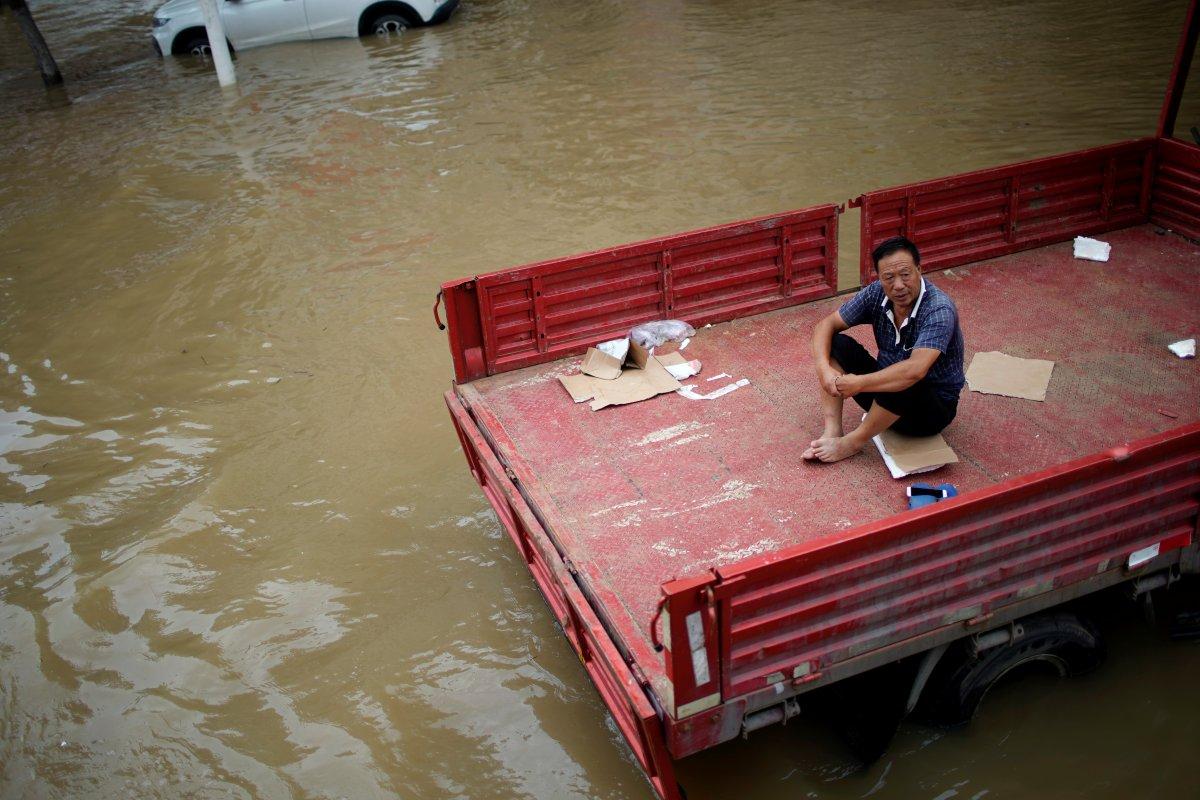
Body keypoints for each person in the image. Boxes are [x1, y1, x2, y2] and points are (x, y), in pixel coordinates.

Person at [802, 236, 964, 463]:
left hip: (929, 412)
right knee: (836, 343)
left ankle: (853, 442)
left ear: (919, 269)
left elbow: (915, 370)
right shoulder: (876, 293)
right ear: (879, 278)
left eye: (905, 274)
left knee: (907, 375)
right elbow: (825, 325)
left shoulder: (938, 309)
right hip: (885, 396)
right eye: (889, 277)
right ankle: (832, 431)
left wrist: (858, 383)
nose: (898, 285)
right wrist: (824, 371)